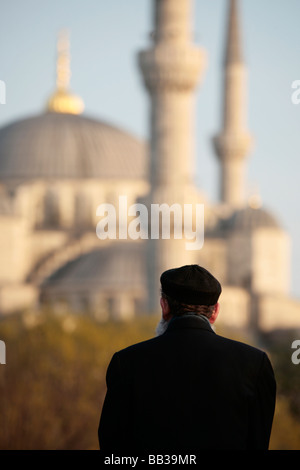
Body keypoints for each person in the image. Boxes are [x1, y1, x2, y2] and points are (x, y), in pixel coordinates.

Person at [98, 264, 276, 451]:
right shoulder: (254, 364)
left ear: (164, 306)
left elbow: (112, 446)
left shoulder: (126, 363)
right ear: (215, 311)